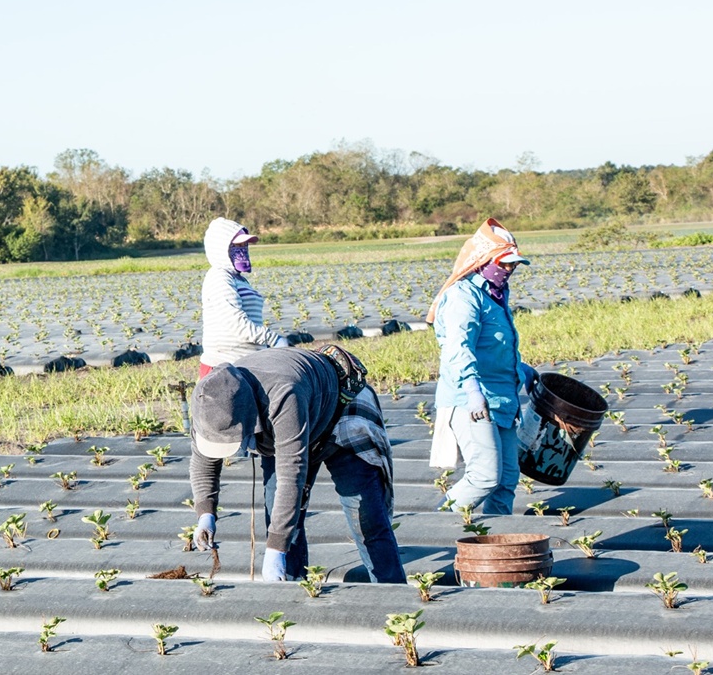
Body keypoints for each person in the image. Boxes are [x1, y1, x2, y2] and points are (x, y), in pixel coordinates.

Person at [188, 346, 404, 583]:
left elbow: (292, 475)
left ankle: (392, 598)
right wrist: (205, 514)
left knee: (367, 519)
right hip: (289, 423)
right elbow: (203, 461)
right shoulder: (207, 401)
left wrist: (274, 550)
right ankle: (290, 601)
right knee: (278, 518)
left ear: (247, 419)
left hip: (339, 411)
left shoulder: (283, 394)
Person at [426, 218, 536, 515]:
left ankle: (495, 547)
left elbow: (495, 346)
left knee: (507, 480)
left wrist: (522, 370)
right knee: (485, 476)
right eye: (505, 264)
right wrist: (473, 389)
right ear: (484, 261)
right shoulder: (464, 296)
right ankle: (437, 524)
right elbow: (457, 348)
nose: (510, 270)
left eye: (513, 265)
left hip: (502, 399)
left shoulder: (497, 295)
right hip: (472, 399)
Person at [199, 217, 287, 379]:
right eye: (236, 245)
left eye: (244, 245)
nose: (242, 249)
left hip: (245, 364)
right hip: (224, 368)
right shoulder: (219, 277)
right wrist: (274, 339)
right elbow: (237, 324)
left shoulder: (239, 279)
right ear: (221, 248)